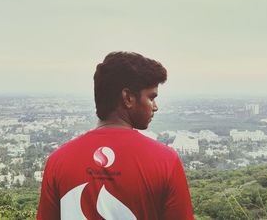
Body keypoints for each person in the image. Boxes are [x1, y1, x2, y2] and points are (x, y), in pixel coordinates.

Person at [37, 51, 194, 220]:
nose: (155, 107)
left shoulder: (58, 161)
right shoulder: (165, 161)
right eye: (151, 97)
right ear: (128, 98)